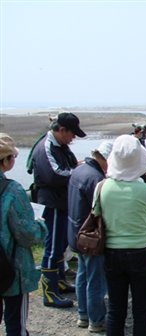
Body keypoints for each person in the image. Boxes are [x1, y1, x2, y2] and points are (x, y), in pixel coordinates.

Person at [98, 135, 146, 336]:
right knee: (142, 311)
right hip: (140, 251)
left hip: (112, 252)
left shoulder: (103, 187)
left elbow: (97, 216)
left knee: (115, 308)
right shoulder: (144, 190)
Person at [0, 133, 47, 336]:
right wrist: (41, 226)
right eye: (13, 156)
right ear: (5, 161)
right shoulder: (12, 190)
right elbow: (27, 234)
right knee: (15, 322)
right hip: (11, 268)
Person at [32, 112, 86, 308]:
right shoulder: (46, 147)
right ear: (61, 130)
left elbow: (68, 166)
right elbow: (55, 175)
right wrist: (79, 173)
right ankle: (49, 292)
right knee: (53, 247)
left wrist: (77, 166)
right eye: (72, 134)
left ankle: (60, 282)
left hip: (63, 202)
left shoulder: (60, 146)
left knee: (61, 244)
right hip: (52, 203)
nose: (73, 139)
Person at [67, 140, 114, 333]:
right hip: (91, 236)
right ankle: (96, 319)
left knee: (82, 275)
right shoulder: (95, 178)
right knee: (96, 279)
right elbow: (103, 210)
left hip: (75, 233)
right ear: (104, 158)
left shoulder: (78, 171)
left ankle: (83, 314)